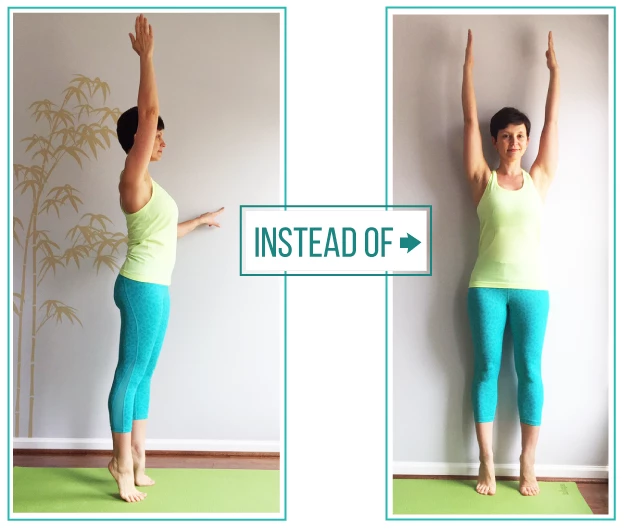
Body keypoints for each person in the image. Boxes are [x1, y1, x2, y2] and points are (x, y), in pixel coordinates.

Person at [107, 14, 224, 503]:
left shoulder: (150, 187)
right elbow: (150, 110)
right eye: (156, 134)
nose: (161, 140)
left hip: (155, 286)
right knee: (129, 373)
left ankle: (138, 456)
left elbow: (159, 235)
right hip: (141, 287)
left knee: (145, 373)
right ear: (139, 140)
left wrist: (197, 223)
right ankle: (119, 463)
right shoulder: (132, 177)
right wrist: (147, 58)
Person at [461, 29, 559, 496]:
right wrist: (467, 72)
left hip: (532, 290)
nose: (515, 142)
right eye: (507, 136)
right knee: (484, 370)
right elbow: (466, 123)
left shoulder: (540, 178)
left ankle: (526, 460)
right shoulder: (483, 180)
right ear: (496, 142)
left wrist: (554, 73)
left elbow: (552, 123)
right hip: (486, 289)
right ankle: (485, 461)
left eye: (521, 136)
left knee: (530, 372)